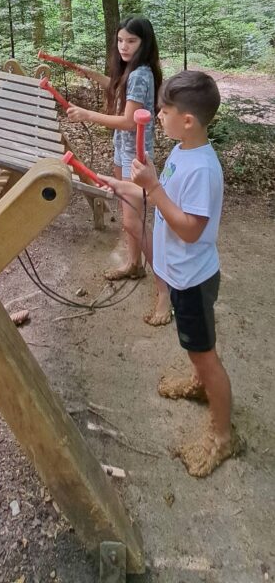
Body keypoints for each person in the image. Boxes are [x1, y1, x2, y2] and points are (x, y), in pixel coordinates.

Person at [100, 70, 242, 477]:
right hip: (181, 276)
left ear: (188, 120)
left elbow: (189, 228)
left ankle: (222, 435)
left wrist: (154, 189)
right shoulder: (183, 151)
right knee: (195, 348)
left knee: (205, 355)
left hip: (193, 280)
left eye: (164, 110)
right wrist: (122, 185)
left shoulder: (203, 168)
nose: (157, 115)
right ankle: (200, 383)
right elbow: (160, 198)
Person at [67, 15, 172, 326]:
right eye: (120, 40)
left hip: (135, 158)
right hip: (122, 151)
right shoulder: (133, 71)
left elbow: (128, 121)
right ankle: (133, 264)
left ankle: (164, 291)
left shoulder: (141, 74)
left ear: (145, 43)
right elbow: (121, 91)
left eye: (132, 41)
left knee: (134, 223)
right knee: (131, 221)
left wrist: (87, 114)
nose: (124, 46)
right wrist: (94, 76)